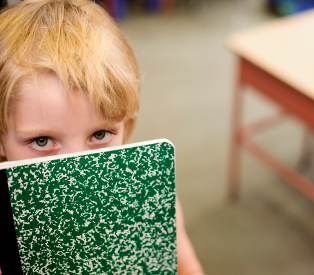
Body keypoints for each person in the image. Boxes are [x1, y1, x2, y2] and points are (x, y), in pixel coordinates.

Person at [0, 0, 204, 274]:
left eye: (99, 134)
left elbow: (188, 268)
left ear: (125, 123)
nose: (77, 169)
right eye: (42, 141)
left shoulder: (149, 199)